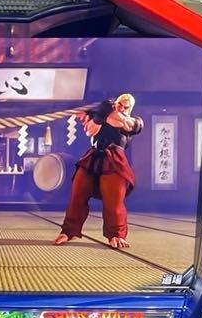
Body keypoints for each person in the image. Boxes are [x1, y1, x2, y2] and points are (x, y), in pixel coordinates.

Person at [54, 93, 143, 249]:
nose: (121, 108)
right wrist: (101, 114)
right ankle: (69, 231)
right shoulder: (101, 113)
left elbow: (123, 122)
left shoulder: (134, 121)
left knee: (114, 200)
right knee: (77, 193)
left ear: (130, 108)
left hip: (114, 160)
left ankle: (116, 235)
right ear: (115, 103)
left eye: (125, 106)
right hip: (93, 156)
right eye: (119, 104)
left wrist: (102, 114)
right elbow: (90, 131)